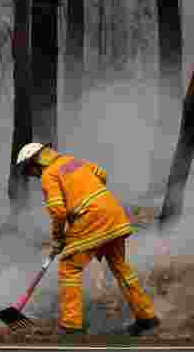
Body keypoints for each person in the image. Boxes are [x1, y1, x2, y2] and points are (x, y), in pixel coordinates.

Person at [14, 142, 161, 338]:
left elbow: (58, 211)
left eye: (28, 170)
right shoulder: (71, 161)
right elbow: (102, 174)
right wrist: (85, 193)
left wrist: (58, 237)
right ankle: (147, 317)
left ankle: (71, 326)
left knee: (69, 266)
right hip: (113, 214)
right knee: (120, 268)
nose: (32, 175)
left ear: (35, 163)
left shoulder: (49, 175)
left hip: (92, 218)